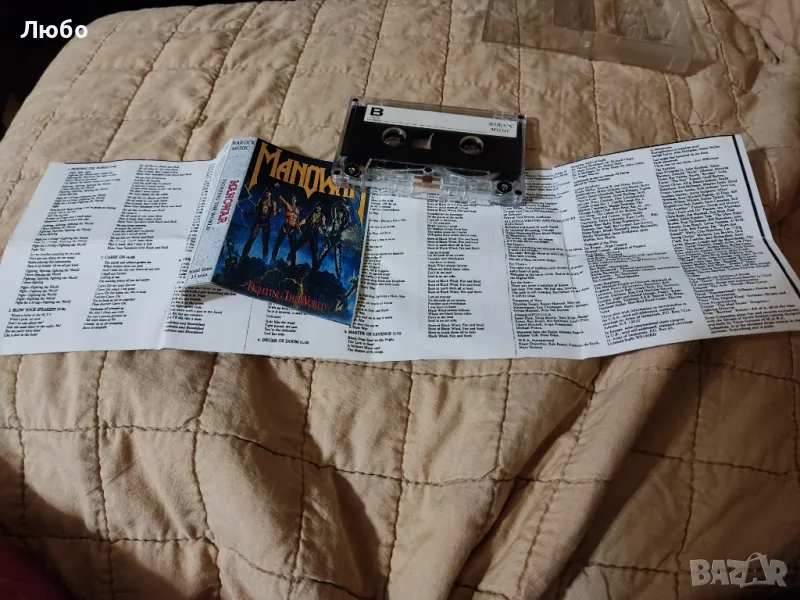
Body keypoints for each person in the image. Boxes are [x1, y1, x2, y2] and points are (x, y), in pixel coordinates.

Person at [242, 183, 279, 260]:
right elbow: (255, 209)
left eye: (269, 192)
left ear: (271, 193)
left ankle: (265, 260)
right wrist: (248, 214)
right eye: (267, 192)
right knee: (251, 239)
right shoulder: (261, 200)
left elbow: (275, 213)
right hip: (258, 222)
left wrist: (277, 211)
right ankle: (243, 256)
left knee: (265, 243)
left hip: (266, 224)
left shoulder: (273, 202)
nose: (268, 193)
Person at [320, 199, 352, 280]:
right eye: (339, 213)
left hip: (337, 242)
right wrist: (340, 202)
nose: (340, 214)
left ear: (343, 214)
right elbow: (333, 208)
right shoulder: (334, 219)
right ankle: (316, 266)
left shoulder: (343, 223)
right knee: (322, 254)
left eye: (341, 213)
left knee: (338, 260)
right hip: (330, 240)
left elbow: (348, 217)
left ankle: (339, 275)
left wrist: (346, 208)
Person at [272, 194, 301, 266]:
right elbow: (282, 200)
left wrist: (298, 229)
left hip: (292, 230)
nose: (293, 200)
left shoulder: (298, 210)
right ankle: (272, 260)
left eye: (294, 199)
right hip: (285, 227)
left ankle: (293, 265)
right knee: (277, 244)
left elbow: (297, 221)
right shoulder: (287, 205)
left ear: (296, 200)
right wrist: (278, 193)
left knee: (293, 248)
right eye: (292, 198)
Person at [297, 202, 326, 270]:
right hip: (307, 231)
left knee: (314, 251)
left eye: (319, 207)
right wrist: (300, 224)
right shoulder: (312, 213)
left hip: (314, 233)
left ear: (321, 208)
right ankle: (290, 256)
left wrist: (325, 231)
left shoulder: (322, 216)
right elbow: (305, 219)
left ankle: (314, 268)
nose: (318, 208)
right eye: (317, 206)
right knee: (298, 244)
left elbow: (323, 225)